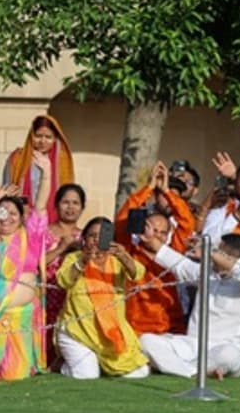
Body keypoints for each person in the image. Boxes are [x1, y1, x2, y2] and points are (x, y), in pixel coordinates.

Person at [0, 154, 54, 381]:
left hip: (21, 317)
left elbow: (42, 206)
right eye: (1, 213)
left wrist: (46, 174)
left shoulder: (30, 237)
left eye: (13, 213)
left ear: (21, 217)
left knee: (14, 374)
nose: (7, 218)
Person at [138, 233, 240, 380]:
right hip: (194, 345)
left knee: (229, 356)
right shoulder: (207, 273)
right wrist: (150, 239)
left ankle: (175, 367)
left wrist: (208, 250)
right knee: (146, 340)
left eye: (218, 250)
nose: (213, 255)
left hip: (229, 347)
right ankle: (192, 372)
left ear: (231, 258)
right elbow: (178, 263)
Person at [51, 217, 148, 379]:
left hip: (109, 334)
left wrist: (124, 256)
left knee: (140, 373)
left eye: (102, 236)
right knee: (87, 375)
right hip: (78, 332)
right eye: (92, 236)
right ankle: (62, 365)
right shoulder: (74, 258)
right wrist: (83, 261)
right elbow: (63, 281)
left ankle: (99, 362)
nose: (96, 240)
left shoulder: (117, 260)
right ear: (84, 239)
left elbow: (138, 273)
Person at [117, 162, 198, 336]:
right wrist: (150, 187)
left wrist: (168, 191)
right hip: (135, 326)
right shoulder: (131, 250)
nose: (157, 236)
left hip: (170, 324)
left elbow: (187, 222)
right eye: (153, 230)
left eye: (162, 232)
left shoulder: (172, 251)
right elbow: (123, 217)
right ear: (143, 229)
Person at [3, 115, 74, 221]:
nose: (43, 141)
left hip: (53, 221)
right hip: (21, 218)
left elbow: (68, 194)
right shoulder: (17, 158)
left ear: (55, 138)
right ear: (31, 135)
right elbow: (6, 190)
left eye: (48, 137)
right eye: (38, 136)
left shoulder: (62, 162)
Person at [45, 184, 86, 367]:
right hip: (46, 295)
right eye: (66, 202)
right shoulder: (44, 233)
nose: (70, 207)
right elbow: (34, 264)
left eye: (75, 203)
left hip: (72, 297)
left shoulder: (85, 236)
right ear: (56, 205)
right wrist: (62, 248)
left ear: (82, 208)